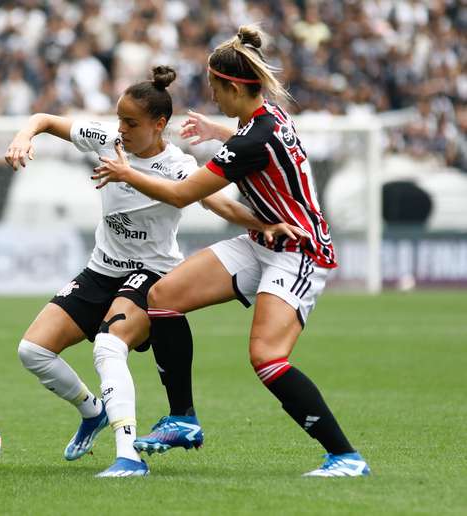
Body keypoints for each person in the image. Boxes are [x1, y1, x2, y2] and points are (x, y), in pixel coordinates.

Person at [92, 27, 371, 477]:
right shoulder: (268, 118)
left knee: (266, 357)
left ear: (235, 87)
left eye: (216, 90)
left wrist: (127, 174)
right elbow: (252, 138)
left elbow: (183, 195)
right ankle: (182, 418)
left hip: (298, 250)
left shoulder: (249, 141)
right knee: (163, 298)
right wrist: (216, 129)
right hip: (262, 241)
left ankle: (345, 456)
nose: (213, 98)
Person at [6, 66, 301, 477]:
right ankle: (92, 412)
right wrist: (24, 137)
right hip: (101, 270)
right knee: (32, 352)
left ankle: (128, 456)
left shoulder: (177, 167)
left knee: (108, 347)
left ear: (159, 124)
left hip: (152, 274)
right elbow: (45, 120)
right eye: (119, 119)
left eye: (131, 122)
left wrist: (265, 225)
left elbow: (223, 206)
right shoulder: (107, 140)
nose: (121, 129)